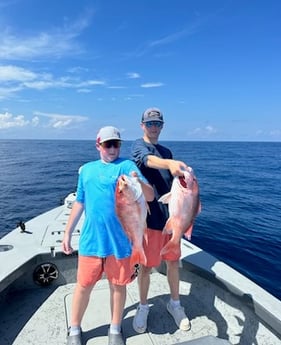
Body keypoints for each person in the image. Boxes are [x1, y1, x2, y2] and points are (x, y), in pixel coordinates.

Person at [62, 126, 154, 345]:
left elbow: (149, 196)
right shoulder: (86, 170)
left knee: (118, 286)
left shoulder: (127, 166)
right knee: (83, 286)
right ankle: (74, 328)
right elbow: (80, 202)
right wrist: (67, 233)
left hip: (121, 242)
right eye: (108, 144)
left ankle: (115, 328)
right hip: (91, 240)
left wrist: (137, 181)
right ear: (98, 145)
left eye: (116, 144)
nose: (112, 149)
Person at [131, 107, 191, 333]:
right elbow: (149, 161)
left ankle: (175, 304)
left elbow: (175, 185)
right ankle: (143, 306)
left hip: (172, 220)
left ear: (162, 126)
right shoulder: (139, 146)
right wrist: (169, 164)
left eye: (157, 124)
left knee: (173, 263)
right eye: (149, 124)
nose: (153, 127)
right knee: (146, 267)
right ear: (142, 126)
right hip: (150, 220)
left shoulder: (168, 150)